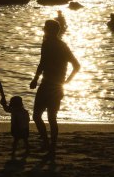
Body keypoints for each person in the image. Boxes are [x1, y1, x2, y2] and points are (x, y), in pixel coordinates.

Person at [30, 20, 81, 158]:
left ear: (52, 31)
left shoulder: (62, 46)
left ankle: (51, 146)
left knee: (50, 117)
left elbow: (77, 65)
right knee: (38, 116)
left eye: (46, 29)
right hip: (47, 84)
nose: (44, 30)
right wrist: (35, 79)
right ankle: (47, 144)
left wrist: (66, 81)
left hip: (53, 86)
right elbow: (42, 63)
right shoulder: (46, 44)